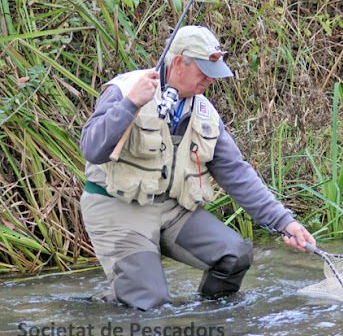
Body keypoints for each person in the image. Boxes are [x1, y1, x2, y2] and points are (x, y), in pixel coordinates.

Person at [80, 25, 315, 311]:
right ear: (178, 62)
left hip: (170, 209)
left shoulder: (203, 111)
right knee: (152, 305)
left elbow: (236, 173)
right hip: (116, 206)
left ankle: (210, 324)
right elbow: (92, 148)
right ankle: (109, 305)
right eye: (204, 72)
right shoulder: (126, 90)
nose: (211, 80)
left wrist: (284, 222)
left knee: (235, 255)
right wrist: (130, 105)